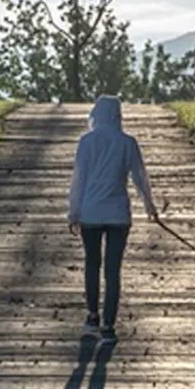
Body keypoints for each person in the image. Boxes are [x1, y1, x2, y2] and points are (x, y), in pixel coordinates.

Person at [66, 95, 158, 344]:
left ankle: (92, 316)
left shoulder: (86, 142)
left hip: (90, 212)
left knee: (92, 264)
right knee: (113, 270)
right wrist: (150, 206)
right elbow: (140, 176)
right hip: (118, 213)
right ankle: (109, 325)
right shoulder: (127, 142)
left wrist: (73, 212)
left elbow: (79, 180)